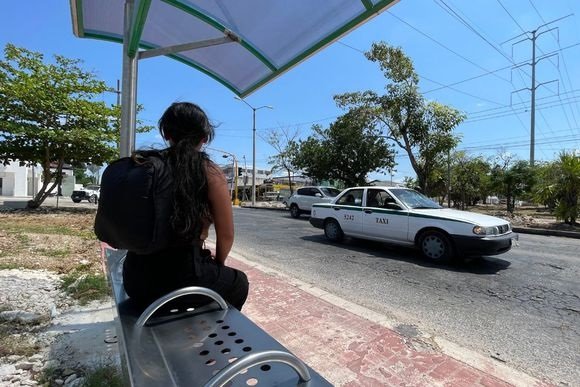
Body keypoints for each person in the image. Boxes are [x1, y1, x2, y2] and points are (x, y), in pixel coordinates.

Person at [122, 102, 249, 310]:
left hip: (136, 280)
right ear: (204, 138)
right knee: (239, 283)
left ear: (167, 135)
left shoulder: (146, 165)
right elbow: (226, 234)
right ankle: (206, 333)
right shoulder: (209, 171)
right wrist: (219, 263)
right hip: (184, 280)